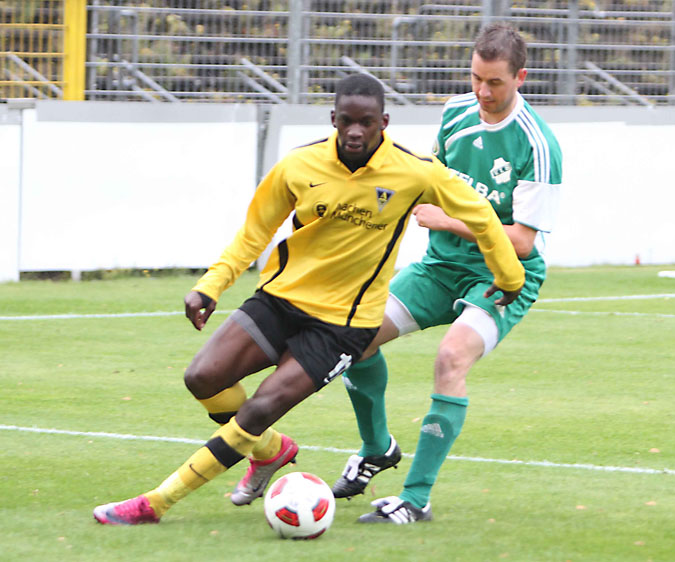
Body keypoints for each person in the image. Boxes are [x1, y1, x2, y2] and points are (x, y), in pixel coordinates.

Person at [92, 72, 525, 526]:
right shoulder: (298, 165)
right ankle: (271, 452)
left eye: (366, 122)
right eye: (347, 121)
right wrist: (210, 285)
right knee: (203, 377)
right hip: (281, 299)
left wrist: (508, 275)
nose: (355, 131)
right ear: (333, 118)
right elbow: (253, 233)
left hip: (344, 324)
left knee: (260, 408)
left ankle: (155, 503)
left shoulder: (415, 170)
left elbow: (480, 215)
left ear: (384, 122)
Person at [331, 23, 563, 524]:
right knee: (354, 336)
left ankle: (415, 499)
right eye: (476, 78)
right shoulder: (456, 113)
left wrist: (449, 221)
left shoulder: (538, 144)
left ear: (520, 77)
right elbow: (430, 180)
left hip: (503, 277)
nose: (483, 91)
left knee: (450, 358)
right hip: (440, 267)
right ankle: (376, 448)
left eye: (495, 82)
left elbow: (523, 241)